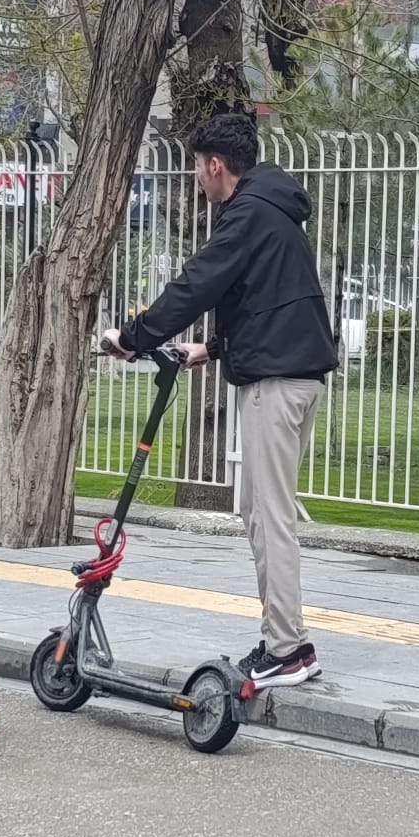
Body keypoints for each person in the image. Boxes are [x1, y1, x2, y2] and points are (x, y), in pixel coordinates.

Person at [103, 112, 339, 691]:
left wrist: (133, 336)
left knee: (267, 516)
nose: (196, 180)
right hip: (295, 373)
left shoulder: (247, 213)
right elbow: (266, 298)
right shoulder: (273, 209)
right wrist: (211, 348)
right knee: (262, 510)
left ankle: (288, 649)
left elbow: (197, 284)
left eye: (196, 168)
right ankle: (285, 641)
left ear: (215, 164)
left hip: (277, 383)